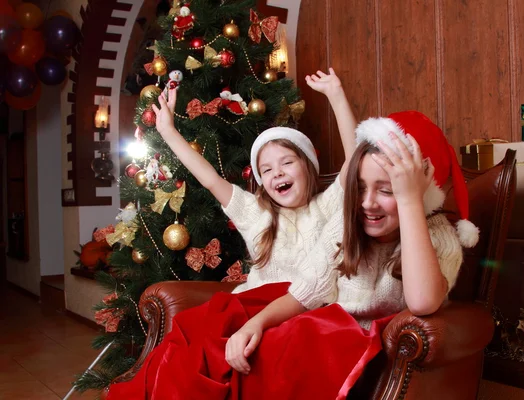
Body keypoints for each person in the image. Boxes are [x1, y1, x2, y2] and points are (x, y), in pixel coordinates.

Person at [104, 69, 357, 399]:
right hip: (248, 307)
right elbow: (209, 178)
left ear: (307, 166)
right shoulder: (257, 212)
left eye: (287, 163)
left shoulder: (328, 207)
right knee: (190, 337)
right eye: (267, 169)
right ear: (263, 182)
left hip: (293, 310)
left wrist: (336, 94)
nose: (277, 172)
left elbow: (354, 161)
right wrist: (167, 131)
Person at [224, 111, 479, 399]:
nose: (368, 203)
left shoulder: (437, 236)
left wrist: (409, 202)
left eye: (386, 190)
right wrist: (254, 324)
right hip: (320, 337)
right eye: (359, 189)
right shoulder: (344, 227)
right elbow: (304, 294)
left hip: (364, 356)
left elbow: (422, 301)